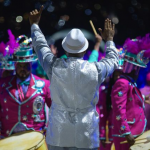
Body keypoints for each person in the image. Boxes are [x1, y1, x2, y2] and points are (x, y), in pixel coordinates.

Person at [29, 6, 118, 150]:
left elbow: (40, 46)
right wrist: (110, 40)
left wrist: (34, 25)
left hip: (58, 134)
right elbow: (113, 60)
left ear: (65, 49)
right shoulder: (96, 70)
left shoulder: (53, 66)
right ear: (84, 49)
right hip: (86, 135)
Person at [0, 34, 51, 139]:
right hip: (8, 138)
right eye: (20, 65)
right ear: (15, 65)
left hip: (35, 138)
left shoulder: (45, 84)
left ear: (31, 65)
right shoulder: (2, 84)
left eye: (26, 65)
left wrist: (49, 129)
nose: (22, 69)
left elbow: (56, 110)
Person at [111, 36, 150, 150]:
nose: (138, 72)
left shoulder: (129, 83)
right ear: (133, 68)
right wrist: (126, 133)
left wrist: (143, 97)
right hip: (127, 135)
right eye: (138, 69)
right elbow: (119, 109)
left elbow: (129, 100)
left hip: (134, 132)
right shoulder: (122, 83)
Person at [99, 48, 124, 150]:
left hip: (125, 132)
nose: (118, 77)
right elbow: (103, 114)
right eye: (116, 74)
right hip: (110, 132)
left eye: (120, 74)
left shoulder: (129, 88)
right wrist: (102, 135)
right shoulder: (105, 91)